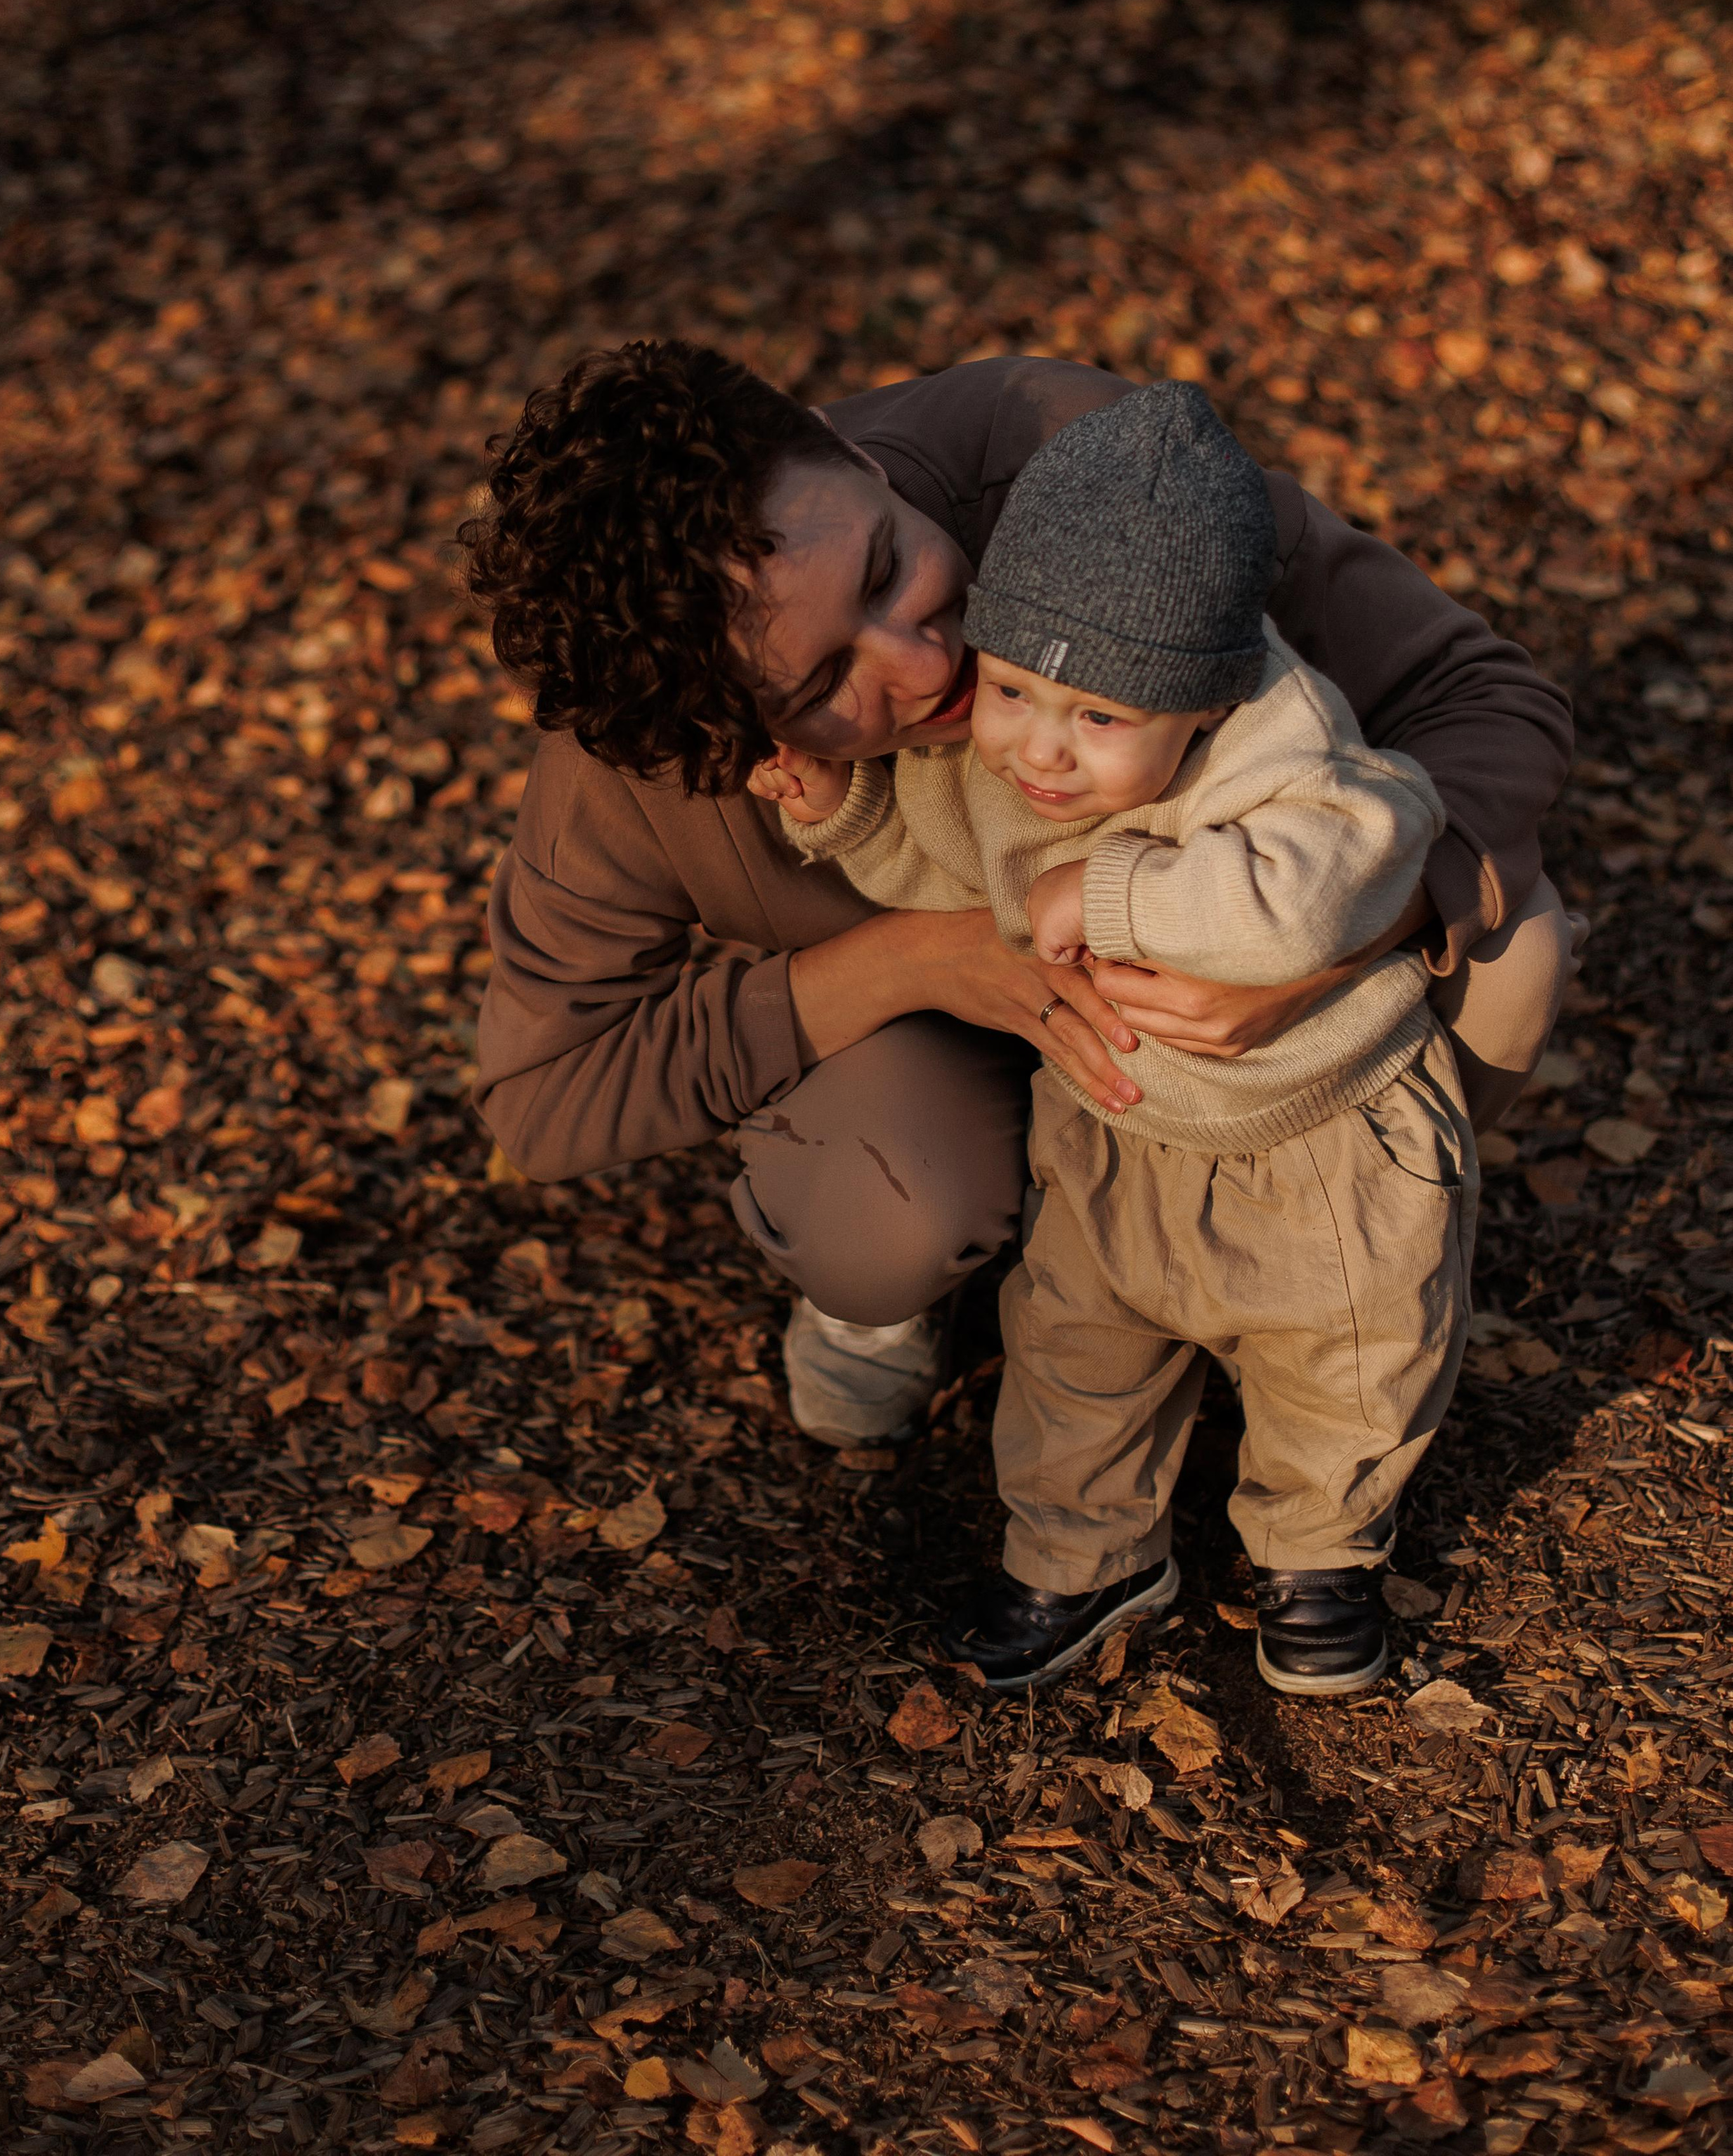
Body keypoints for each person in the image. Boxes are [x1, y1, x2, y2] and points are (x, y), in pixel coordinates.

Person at [464, 340, 1577, 1458]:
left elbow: (1483, 697)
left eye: (887, 568)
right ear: (728, 741)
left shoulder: (1087, 466)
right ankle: (918, 1287)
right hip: (922, 1054)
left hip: (1212, 950)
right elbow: (545, 1095)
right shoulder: (644, 754)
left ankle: (1321, 1245)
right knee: (883, 1219)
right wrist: (918, 961)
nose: (923, 664)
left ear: (856, 457)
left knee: (1508, 950)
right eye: (825, 683)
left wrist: (1330, 948)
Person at [763, 386, 1474, 1696]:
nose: (1041, 750)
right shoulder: (1014, 749)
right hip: (1112, 1126)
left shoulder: (1278, 740)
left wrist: (1110, 892)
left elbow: (1312, 888)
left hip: (1312, 1139)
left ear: (1201, 706)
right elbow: (958, 877)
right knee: (1073, 1356)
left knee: (1344, 1362)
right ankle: (1081, 1555)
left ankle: (1320, 1552)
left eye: (1099, 719)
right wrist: (845, 816)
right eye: (1013, 692)